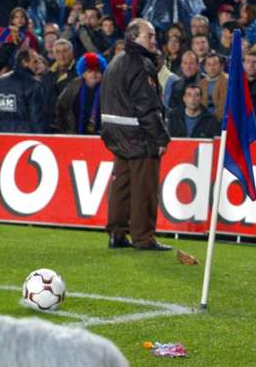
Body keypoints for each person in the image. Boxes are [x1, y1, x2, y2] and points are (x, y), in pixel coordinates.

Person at [100, 18, 172, 251]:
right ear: (133, 38)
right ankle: (143, 237)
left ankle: (117, 233)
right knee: (144, 188)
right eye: (148, 36)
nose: (154, 40)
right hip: (139, 135)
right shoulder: (141, 64)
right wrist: (161, 138)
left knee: (122, 185)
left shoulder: (115, 62)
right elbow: (147, 107)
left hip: (116, 134)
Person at [0, 48, 45, 133]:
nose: (38, 65)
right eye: (35, 62)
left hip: (3, 134)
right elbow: (36, 116)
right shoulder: (33, 84)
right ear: (24, 62)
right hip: (26, 137)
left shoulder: (0, 81)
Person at [55, 52, 107, 135]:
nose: (93, 74)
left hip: (101, 137)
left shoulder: (107, 88)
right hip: (76, 135)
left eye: (97, 71)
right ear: (83, 73)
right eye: (90, 71)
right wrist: (66, 130)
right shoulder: (73, 86)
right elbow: (61, 107)